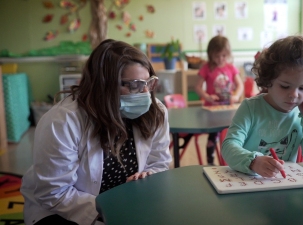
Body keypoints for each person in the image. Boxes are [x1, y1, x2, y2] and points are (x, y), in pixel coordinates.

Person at [20, 39, 172, 225]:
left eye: (149, 83)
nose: (145, 93)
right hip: (62, 210)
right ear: (104, 86)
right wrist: (111, 208)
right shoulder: (62, 121)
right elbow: (53, 192)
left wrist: (148, 177)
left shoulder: (155, 113)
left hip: (128, 204)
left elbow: (160, 163)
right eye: (134, 85)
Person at [221, 35, 303, 177]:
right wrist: (253, 162)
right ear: (268, 80)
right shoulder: (251, 108)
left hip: (284, 188)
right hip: (249, 185)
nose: (294, 95)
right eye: (285, 86)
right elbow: (228, 147)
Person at [195, 35, 243, 165]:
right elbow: (197, 87)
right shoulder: (206, 67)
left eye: (223, 55)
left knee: (232, 134)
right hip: (212, 110)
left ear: (227, 54)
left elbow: (240, 85)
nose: (221, 59)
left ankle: (232, 160)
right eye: (217, 56)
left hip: (228, 108)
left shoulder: (231, 67)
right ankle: (210, 162)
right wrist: (207, 97)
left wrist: (236, 96)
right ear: (211, 55)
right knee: (213, 136)